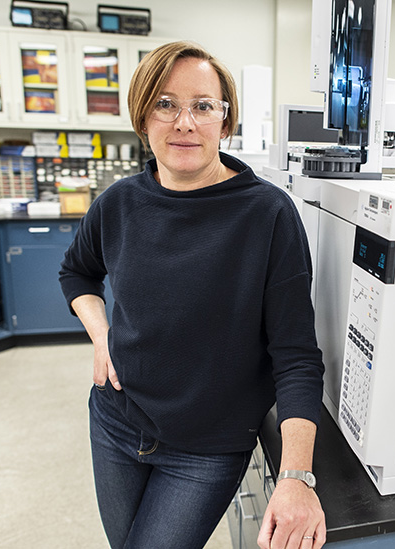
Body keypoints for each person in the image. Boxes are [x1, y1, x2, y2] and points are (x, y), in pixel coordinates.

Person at [59, 40, 326, 549]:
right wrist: (101, 336)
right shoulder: (117, 204)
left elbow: (295, 356)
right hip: (115, 425)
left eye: (203, 106)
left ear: (225, 123)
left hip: (205, 450)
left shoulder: (267, 215)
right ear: (143, 117)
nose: (185, 122)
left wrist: (297, 477)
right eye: (166, 103)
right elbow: (77, 273)